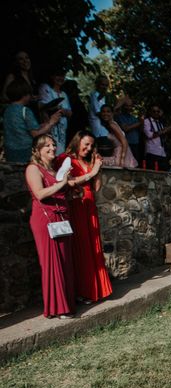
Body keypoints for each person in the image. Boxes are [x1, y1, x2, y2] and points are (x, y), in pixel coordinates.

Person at [25, 134, 75, 318]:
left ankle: (67, 303)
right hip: (45, 219)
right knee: (51, 263)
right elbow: (39, 194)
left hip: (61, 218)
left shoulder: (54, 170)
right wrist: (62, 183)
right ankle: (57, 308)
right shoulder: (33, 168)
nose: (52, 148)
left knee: (64, 261)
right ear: (37, 150)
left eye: (53, 144)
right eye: (47, 145)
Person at [60, 130, 113, 304]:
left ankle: (96, 289)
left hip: (90, 207)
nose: (89, 148)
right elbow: (66, 183)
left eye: (91, 145)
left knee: (93, 247)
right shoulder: (65, 159)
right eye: (86, 144)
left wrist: (98, 168)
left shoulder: (88, 161)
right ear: (77, 142)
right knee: (81, 247)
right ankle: (83, 290)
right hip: (76, 206)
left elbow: (96, 187)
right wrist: (91, 173)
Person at [3, 79, 61, 163]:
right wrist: (51, 122)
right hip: (25, 152)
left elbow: (23, 127)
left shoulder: (7, 110)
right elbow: (36, 134)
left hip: (10, 153)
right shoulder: (25, 111)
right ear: (24, 95)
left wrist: (45, 124)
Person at [39, 69, 72, 155]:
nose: (60, 78)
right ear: (52, 76)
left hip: (62, 130)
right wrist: (56, 109)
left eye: (62, 76)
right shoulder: (46, 88)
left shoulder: (64, 94)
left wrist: (61, 111)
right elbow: (42, 106)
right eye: (58, 75)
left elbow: (70, 113)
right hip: (50, 128)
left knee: (60, 153)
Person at [115, 96, 143, 163]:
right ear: (122, 107)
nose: (128, 108)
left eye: (130, 106)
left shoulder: (134, 118)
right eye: (126, 106)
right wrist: (139, 123)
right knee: (126, 164)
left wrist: (141, 121)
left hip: (135, 145)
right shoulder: (119, 117)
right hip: (126, 144)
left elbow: (141, 131)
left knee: (135, 165)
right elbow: (125, 129)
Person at [143, 104, 171, 171]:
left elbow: (163, 136)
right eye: (154, 111)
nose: (156, 113)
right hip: (152, 152)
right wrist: (164, 131)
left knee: (163, 172)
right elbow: (149, 135)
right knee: (151, 172)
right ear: (150, 112)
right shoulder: (147, 121)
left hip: (162, 152)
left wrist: (166, 132)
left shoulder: (160, 123)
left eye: (157, 111)